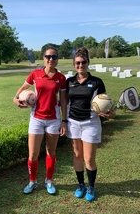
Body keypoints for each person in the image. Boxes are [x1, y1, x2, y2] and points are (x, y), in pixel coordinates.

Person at [13, 46, 68, 195]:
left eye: (54, 57)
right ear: (43, 58)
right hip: (36, 118)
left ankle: (49, 181)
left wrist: (64, 120)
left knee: (51, 152)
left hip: (53, 119)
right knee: (33, 154)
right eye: (48, 56)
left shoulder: (61, 78)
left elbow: (63, 100)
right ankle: (32, 181)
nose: (51, 59)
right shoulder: (35, 74)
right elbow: (24, 86)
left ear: (57, 59)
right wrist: (15, 98)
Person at [66, 47, 115, 202]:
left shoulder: (96, 82)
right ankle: (81, 185)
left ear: (88, 63)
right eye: (77, 63)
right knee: (77, 156)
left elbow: (104, 103)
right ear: (74, 64)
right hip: (73, 123)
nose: (80, 65)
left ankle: (91, 187)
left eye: (83, 62)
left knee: (88, 159)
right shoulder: (70, 82)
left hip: (90, 123)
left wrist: (108, 113)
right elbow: (64, 102)